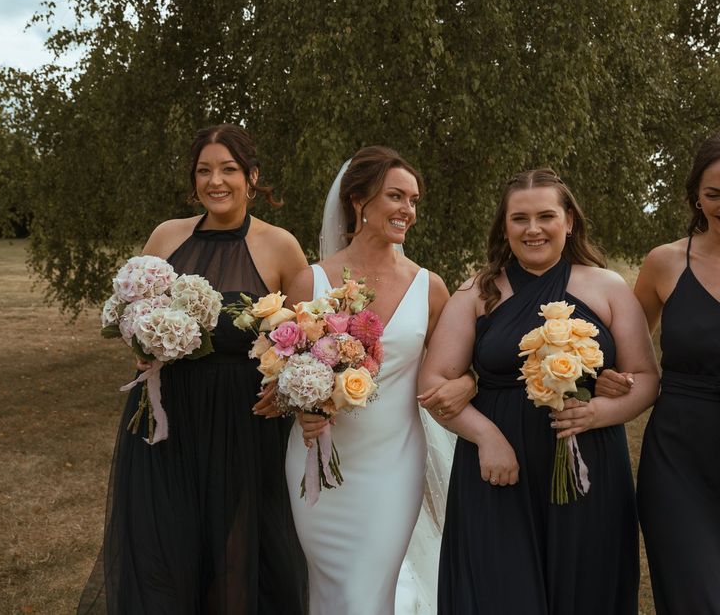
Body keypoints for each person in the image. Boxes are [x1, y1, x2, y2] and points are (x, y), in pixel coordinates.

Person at [77, 125, 309, 614]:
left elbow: (303, 341)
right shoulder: (166, 236)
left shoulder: (281, 247)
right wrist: (139, 346)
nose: (215, 181)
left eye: (228, 169)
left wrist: (285, 390)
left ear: (252, 176)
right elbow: (132, 311)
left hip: (243, 428)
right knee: (163, 549)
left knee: (237, 556)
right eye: (204, 170)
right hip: (168, 420)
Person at [421, 168, 660, 615]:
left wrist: (599, 413)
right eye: (519, 219)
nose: (533, 229)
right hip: (496, 472)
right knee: (500, 591)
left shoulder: (606, 287)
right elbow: (433, 386)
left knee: (586, 589)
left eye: (545, 216)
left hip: (588, 464)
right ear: (504, 226)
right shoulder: (478, 292)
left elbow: (645, 378)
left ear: (569, 221)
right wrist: (487, 439)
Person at [284, 146, 473, 615]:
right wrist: (301, 407)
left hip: (394, 464)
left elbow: (460, 369)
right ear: (358, 202)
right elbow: (279, 371)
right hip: (318, 461)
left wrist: (466, 385)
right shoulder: (309, 282)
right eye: (395, 196)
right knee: (331, 590)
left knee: (368, 592)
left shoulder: (429, 288)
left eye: (413, 200)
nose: (407, 210)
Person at [636, 134, 720, 613]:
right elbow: (622, 348)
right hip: (679, 461)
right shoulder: (665, 262)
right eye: (715, 194)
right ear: (695, 196)